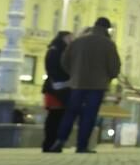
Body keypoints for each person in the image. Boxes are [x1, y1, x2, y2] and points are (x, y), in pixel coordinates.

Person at [52, 18, 121, 153]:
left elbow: (65, 60)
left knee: (70, 113)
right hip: (97, 86)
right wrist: (109, 77)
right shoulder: (108, 44)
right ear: (107, 29)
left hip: (78, 84)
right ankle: (81, 145)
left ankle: (60, 140)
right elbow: (114, 66)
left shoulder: (78, 41)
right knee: (89, 115)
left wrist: (74, 73)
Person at [41, 31, 73, 152]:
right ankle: (50, 143)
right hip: (56, 88)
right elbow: (53, 68)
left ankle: (51, 143)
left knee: (56, 116)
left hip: (56, 87)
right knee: (55, 116)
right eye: (70, 37)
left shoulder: (56, 49)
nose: (72, 40)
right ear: (65, 38)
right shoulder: (57, 50)